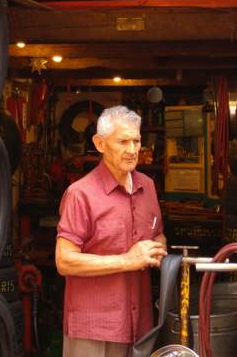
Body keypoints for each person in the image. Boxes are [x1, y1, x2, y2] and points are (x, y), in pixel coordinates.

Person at [56, 105, 167, 357]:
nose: (132, 150)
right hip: (94, 328)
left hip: (140, 326)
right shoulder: (81, 194)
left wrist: (158, 249)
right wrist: (128, 260)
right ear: (100, 143)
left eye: (136, 140)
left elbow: (157, 234)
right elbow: (64, 261)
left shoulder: (147, 186)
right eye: (122, 141)